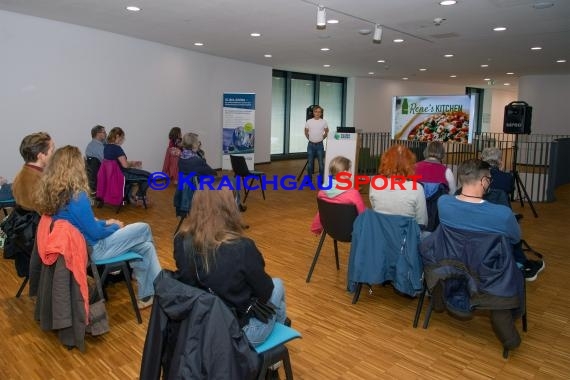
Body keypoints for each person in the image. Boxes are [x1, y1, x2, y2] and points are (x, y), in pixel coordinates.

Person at [34, 145, 162, 308]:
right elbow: (95, 233)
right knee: (144, 228)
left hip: (82, 247)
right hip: (96, 249)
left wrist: (106, 223)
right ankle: (161, 289)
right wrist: (116, 227)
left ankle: (148, 294)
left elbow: (84, 224)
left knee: (145, 247)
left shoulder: (55, 194)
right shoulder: (77, 196)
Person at [174, 186, 287, 346]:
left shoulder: (181, 241)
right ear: (229, 208)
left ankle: (275, 350)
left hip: (201, 326)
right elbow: (265, 292)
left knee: (277, 302)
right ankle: (275, 352)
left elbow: (187, 281)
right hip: (238, 335)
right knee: (278, 285)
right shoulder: (242, 247)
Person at [437, 159, 544, 281]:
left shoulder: (443, 202)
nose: (490, 182)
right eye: (489, 179)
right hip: (489, 272)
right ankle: (521, 266)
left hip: (454, 263)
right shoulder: (503, 214)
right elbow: (515, 239)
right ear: (483, 181)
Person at [369, 145, 427, 229]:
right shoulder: (417, 188)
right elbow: (422, 222)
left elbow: (374, 207)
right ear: (410, 164)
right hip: (406, 239)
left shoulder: (375, 183)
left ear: (385, 161)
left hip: (381, 235)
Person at [310, 156, 366, 234]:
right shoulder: (353, 194)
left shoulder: (322, 192)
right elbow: (363, 215)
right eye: (349, 169)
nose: (351, 172)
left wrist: (316, 228)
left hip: (330, 229)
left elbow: (321, 212)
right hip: (351, 232)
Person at [104, 127, 151, 204]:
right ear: (117, 136)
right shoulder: (117, 148)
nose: (123, 139)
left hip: (114, 174)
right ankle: (139, 197)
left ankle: (127, 197)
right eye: (122, 137)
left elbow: (118, 162)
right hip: (123, 174)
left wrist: (132, 163)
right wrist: (132, 163)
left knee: (141, 174)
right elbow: (125, 165)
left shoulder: (107, 147)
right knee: (149, 176)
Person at [12, 132, 55, 212]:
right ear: (41, 156)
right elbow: (49, 212)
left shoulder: (20, 175)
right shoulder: (36, 183)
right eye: (52, 151)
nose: (54, 154)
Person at [304, 105, 329, 181]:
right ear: (313, 113)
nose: (317, 113)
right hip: (310, 145)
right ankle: (309, 180)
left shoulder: (324, 122)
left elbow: (327, 131)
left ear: (321, 113)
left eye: (319, 112)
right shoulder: (309, 121)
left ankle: (322, 180)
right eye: (316, 111)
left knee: (321, 164)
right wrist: (310, 138)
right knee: (310, 164)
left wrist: (322, 138)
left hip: (319, 146)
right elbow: (306, 131)